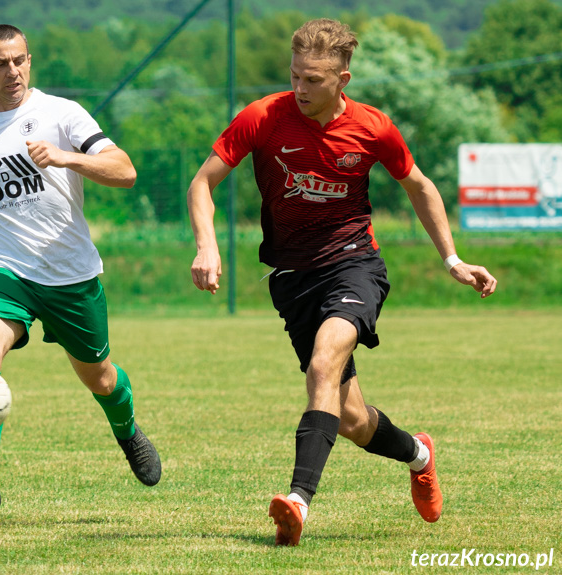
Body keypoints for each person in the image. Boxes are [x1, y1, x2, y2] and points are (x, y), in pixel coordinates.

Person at [187, 18, 497, 545]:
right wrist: (207, 244)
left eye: (313, 80)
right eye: (295, 76)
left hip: (353, 265)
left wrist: (452, 259)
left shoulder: (373, 128)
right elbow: (202, 183)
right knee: (351, 418)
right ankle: (419, 453)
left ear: (342, 80)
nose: (300, 89)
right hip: (291, 279)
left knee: (325, 361)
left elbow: (420, 187)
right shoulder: (263, 117)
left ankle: (298, 504)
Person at [0, 24, 161, 514]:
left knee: (101, 379)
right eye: (0, 64)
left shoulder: (62, 115)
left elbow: (124, 170)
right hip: (7, 269)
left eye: (19, 60)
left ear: (30, 61)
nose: (12, 71)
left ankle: (127, 431)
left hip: (70, 275)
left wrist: (67, 158)